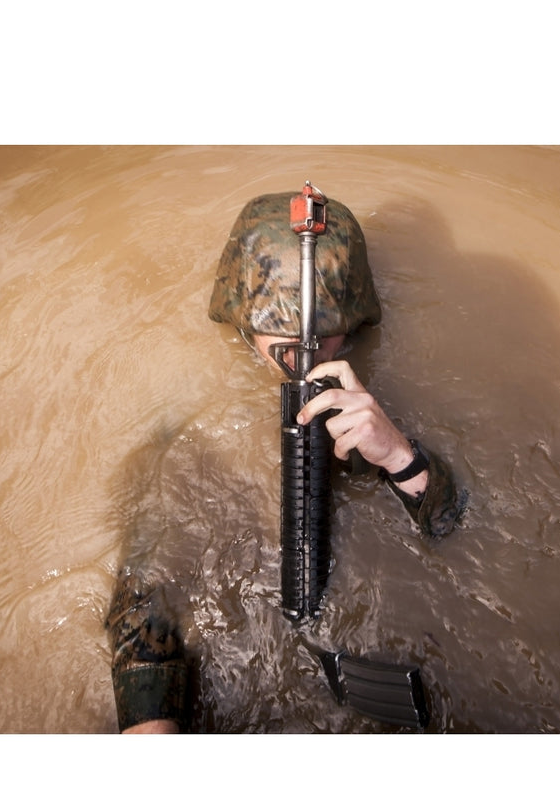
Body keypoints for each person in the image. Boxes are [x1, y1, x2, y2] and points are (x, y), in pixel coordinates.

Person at [105, 191, 467, 733]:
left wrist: (397, 454)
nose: (307, 357)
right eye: (287, 340)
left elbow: (455, 531)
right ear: (243, 322)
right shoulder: (188, 422)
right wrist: (149, 722)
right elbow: (142, 592)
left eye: (326, 336)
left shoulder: (383, 401)